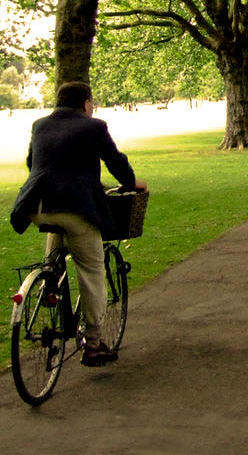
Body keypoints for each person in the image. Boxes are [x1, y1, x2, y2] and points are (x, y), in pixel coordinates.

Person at [10, 81, 148, 367]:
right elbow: (115, 162)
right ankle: (95, 344)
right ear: (86, 103)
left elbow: (31, 162)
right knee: (93, 270)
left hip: (36, 206)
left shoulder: (40, 125)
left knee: (55, 250)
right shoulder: (93, 127)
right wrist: (132, 183)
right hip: (73, 209)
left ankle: (50, 283)